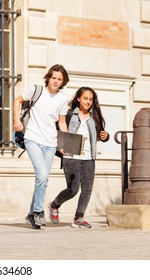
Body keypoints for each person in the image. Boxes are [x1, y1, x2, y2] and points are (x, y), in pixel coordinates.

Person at [13, 64, 70, 229]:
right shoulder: (36, 90)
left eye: (59, 79)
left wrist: (64, 143)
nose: (56, 81)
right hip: (33, 138)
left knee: (43, 179)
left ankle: (31, 215)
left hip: (51, 143)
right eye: (54, 78)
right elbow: (18, 100)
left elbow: (61, 122)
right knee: (42, 174)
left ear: (62, 81)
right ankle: (38, 211)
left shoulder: (62, 99)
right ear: (49, 77)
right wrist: (16, 119)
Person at [48, 87, 109, 229]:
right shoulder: (69, 115)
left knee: (87, 189)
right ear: (78, 99)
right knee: (73, 189)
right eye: (85, 98)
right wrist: (60, 146)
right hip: (71, 156)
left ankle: (78, 218)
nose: (88, 101)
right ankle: (54, 205)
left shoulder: (95, 117)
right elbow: (58, 132)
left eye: (90, 99)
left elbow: (101, 133)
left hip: (89, 157)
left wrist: (105, 136)